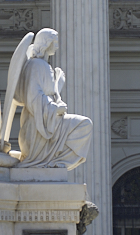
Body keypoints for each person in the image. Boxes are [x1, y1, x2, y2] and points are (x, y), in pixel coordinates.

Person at [17, 29, 93, 169]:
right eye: (55, 42)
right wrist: (56, 108)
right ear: (46, 43)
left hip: (49, 120)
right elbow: (33, 97)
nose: (57, 46)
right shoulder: (36, 65)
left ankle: (57, 163)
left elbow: (50, 95)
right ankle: (55, 162)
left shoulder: (43, 65)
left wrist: (58, 85)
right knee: (84, 124)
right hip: (39, 125)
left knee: (85, 125)